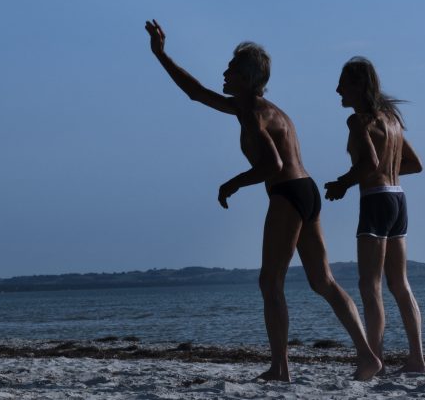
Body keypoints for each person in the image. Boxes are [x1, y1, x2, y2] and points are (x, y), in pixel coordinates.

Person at [145, 20, 381, 382]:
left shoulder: (254, 114)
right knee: (323, 281)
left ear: (248, 78)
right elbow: (196, 93)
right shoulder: (256, 108)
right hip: (306, 191)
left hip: (288, 193)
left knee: (270, 283)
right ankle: (367, 357)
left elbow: (274, 165)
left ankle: (280, 368)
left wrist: (233, 183)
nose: (225, 73)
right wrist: (161, 55)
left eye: (232, 69)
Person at [324, 56, 425, 374]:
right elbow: (414, 164)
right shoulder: (392, 120)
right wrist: (386, 170)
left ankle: (376, 359)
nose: (338, 89)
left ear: (359, 85)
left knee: (370, 286)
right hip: (398, 199)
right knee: (400, 284)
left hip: (375, 200)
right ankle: (417, 359)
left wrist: (343, 183)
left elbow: (368, 163)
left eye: (343, 83)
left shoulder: (359, 121)